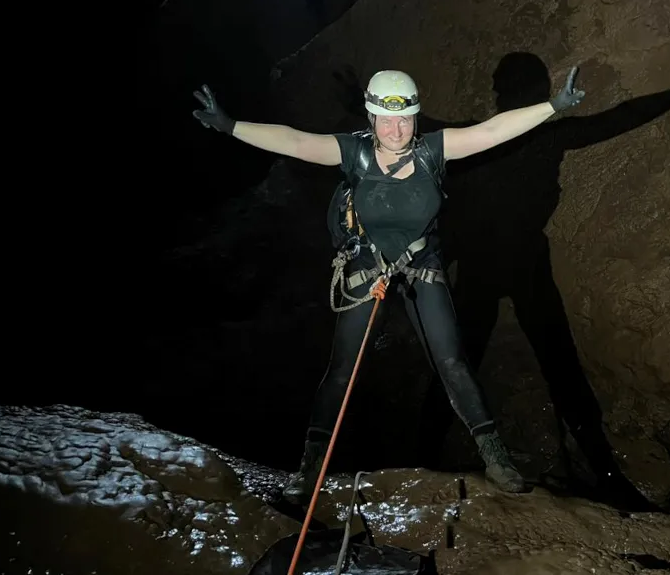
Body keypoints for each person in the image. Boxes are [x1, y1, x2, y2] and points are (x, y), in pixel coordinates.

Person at [191, 67, 586, 501]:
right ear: (371, 119)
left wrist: (554, 106)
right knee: (342, 368)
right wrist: (230, 126)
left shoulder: (434, 150)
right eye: (385, 119)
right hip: (367, 266)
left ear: (416, 118)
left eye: (404, 120)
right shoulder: (352, 153)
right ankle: (311, 467)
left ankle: (496, 459)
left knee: (452, 362)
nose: (396, 130)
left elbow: (492, 130)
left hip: (421, 264)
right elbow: (295, 141)